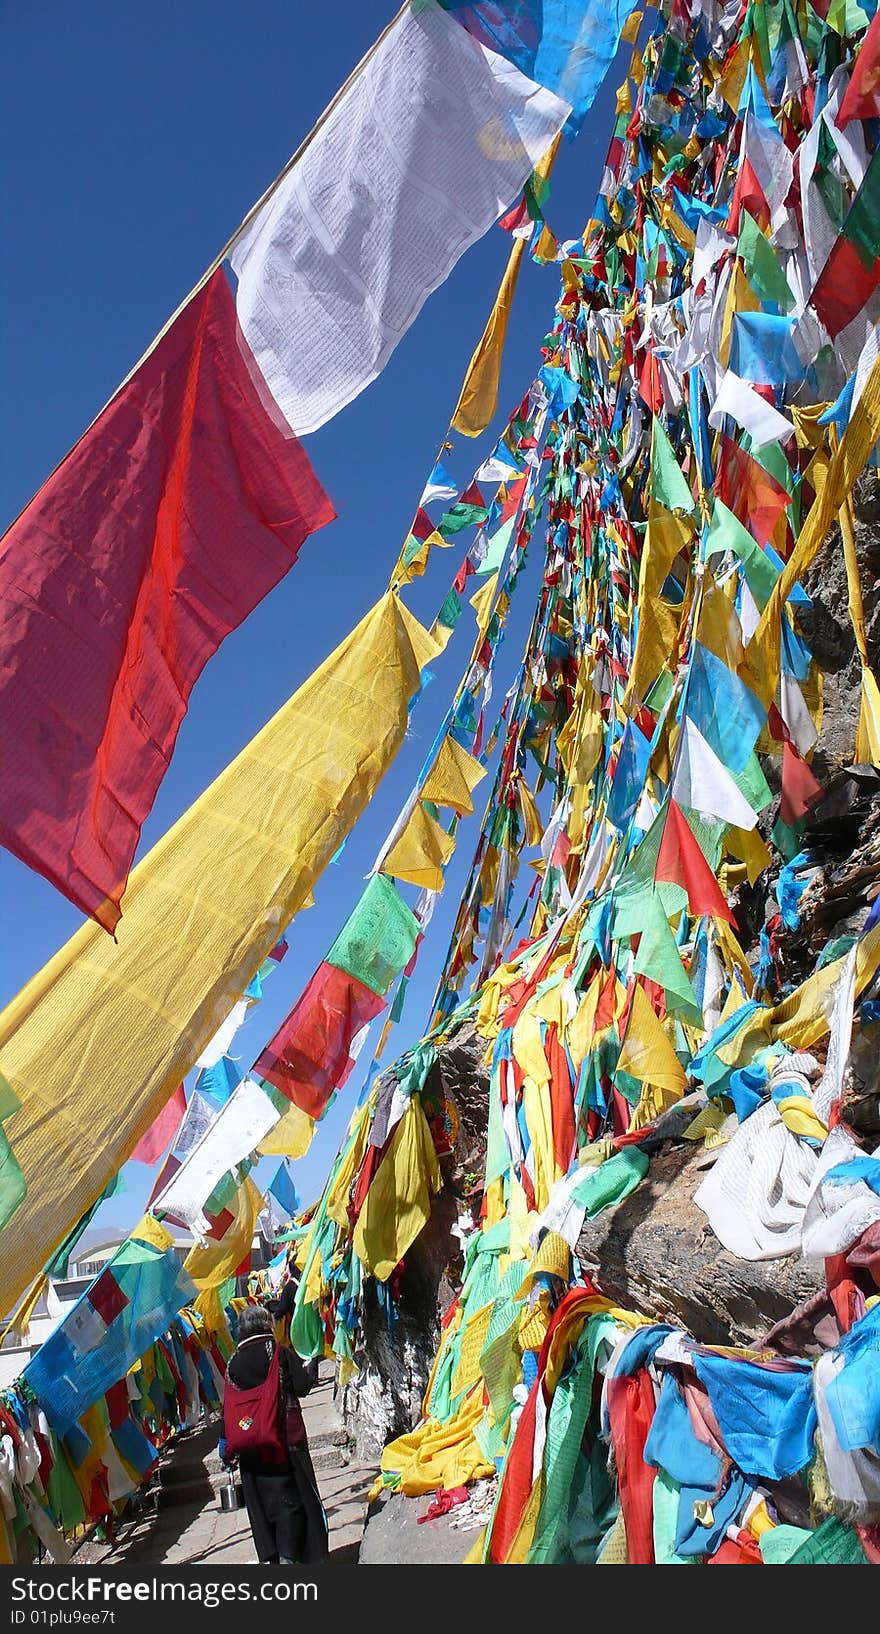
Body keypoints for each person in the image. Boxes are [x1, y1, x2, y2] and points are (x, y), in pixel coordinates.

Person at [221, 1304, 328, 1565]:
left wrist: (225, 1445)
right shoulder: (277, 1353)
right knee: (294, 1499)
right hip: (284, 1441)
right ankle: (292, 1555)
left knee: (263, 1506)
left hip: (248, 1448)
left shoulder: (232, 1363)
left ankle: (272, 1556)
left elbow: (229, 1406)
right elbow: (303, 1387)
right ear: (266, 1324)